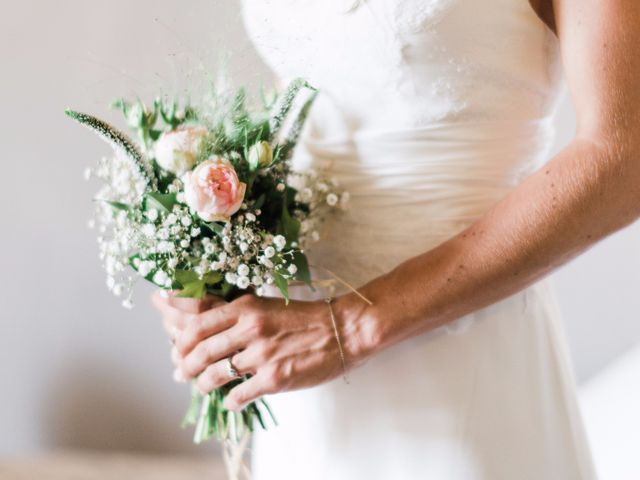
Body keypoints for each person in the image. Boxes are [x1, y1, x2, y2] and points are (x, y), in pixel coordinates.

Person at [154, 0, 640, 477]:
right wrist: (217, 257)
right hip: (298, 369)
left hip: (461, 349)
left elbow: (624, 160)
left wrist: (351, 326)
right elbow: (313, 92)